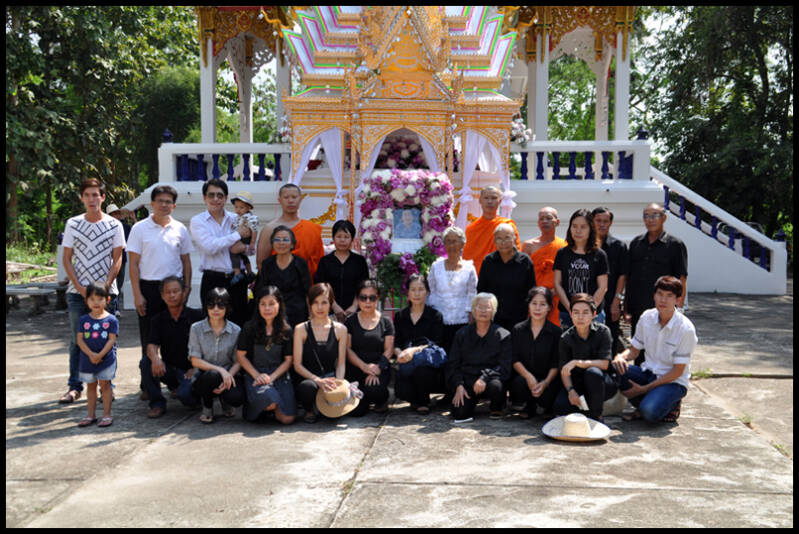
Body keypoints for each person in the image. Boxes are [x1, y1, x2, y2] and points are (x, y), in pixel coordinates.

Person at [60, 178, 125, 405]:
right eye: (87, 195)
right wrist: (80, 288)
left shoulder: (114, 225)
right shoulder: (73, 224)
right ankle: (74, 387)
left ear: (103, 197)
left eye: (96, 194)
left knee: (108, 340)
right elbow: (67, 259)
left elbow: (118, 258)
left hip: (107, 293)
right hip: (77, 293)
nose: (92, 199)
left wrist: (106, 286)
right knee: (77, 340)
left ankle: (107, 387)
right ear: (82, 198)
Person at [128, 185, 193, 397]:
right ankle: (149, 386)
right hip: (149, 289)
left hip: (175, 289)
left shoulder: (180, 229)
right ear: (152, 204)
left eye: (168, 202)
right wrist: (137, 294)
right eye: (160, 201)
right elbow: (133, 264)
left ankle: (175, 382)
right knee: (149, 338)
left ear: (174, 206)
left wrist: (187, 288)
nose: (164, 205)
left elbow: (186, 261)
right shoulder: (139, 229)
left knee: (176, 338)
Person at [612, 276, 697, 423]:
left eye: (669, 296)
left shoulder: (685, 329)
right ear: (654, 296)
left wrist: (643, 389)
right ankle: (651, 400)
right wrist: (621, 357)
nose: (663, 300)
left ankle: (672, 404)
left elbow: (677, 371)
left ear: (678, 299)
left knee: (649, 413)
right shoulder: (647, 317)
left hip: (672, 382)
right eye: (660, 294)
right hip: (648, 373)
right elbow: (634, 350)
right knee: (613, 367)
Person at [626, 203, 688, 364]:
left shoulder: (675, 245)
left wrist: (679, 304)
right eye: (646, 216)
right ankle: (640, 377)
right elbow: (630, 277)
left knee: (663, 348)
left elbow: (682, 277)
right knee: (639, 347)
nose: (650, 219)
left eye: (655, 215)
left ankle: (662, 377)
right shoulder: (636, 243)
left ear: (664, 218)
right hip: (639, 305)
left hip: (664, 306)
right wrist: (626, 306)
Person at [189, 179, 251, 326]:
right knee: (213, 326)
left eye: (220, 195)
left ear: (226, 198)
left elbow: (250, 248)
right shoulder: (198, 221)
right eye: (211, 195)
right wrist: (237, 235)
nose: (215, 199)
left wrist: (244, 247)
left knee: (238, 323)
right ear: (204, 198)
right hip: (213, 279)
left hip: (237, 279)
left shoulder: (237, 219)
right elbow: (210, 247)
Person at [140, 276, 204, 418]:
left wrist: (197, 368)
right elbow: (151, 344)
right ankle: (157, 404)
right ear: (162, 296)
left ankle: (192, 396)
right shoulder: (158, 319)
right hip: (169, 369)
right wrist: (156, 359)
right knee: (146, 362)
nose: (172, 295)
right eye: (168, 292)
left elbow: (207, 346)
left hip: (191, 370)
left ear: (183, 292)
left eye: (176, 291)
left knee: (187, 398)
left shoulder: (196, 316)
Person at [446, 293, 512, 423]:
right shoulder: (461, 334)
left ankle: (496, 407)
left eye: (487, 307)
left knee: (497, 386)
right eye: (479, 307)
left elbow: (504, 366)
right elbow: (453, 363)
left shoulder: (503, 335)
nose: (483, 311)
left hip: (490, 380)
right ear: (473, 310)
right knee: (459, 413)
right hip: (467, 381)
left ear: (493, 311)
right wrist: (459, 385)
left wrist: (484, 378)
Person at [553, 293, 617, 423]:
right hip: (578, 384)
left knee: (592, 372)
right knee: (560, 407)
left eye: (585, 312)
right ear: (570, 314)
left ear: (594, 314)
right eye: (576, 312)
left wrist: (577, 362)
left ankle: (597, 416)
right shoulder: (565, 338)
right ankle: (587, 409)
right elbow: (564, 370)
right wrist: (571, 391)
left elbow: (604, 364)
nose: (580, 317)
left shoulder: (603, 332)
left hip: (601, 382)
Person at [237, 286, 296, 425]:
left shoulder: (286, 329)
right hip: (256, 375)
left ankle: (266, 409)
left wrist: (272, 377)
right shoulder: (249, 327)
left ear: (279, 304)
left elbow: (288, 360)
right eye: (263, 304)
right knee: (270, 401)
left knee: (287, 419)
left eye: (271, 304)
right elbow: (241, 356)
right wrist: (257, 375)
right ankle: (256, 407)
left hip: (278, 374)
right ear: (258, 306)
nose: (267, 308)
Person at [187, 288, 245, 424]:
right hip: (203, 376)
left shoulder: (236, 330)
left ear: (227, 307)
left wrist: (228, 376)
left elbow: (238, 361)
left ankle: (225, 400)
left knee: (237, 398)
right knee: (212, 375)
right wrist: (220, 370)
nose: (216, 309)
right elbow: (195, 360)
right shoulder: (196, 328)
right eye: (211, 305)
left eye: (221, 305)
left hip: (228, 375)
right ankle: (207, 407)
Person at [292, 283, 349, 423]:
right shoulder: (300, 329)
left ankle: (328, 405)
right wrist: (317, 380)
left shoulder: (340, 329)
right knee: (307, 387)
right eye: (315, 302)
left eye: (324, 302)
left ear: (330, 303)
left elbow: (341, 363)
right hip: (309, 379)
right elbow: (297, 365)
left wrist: (338, 384)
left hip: (330, 380)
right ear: (310, 304)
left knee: (335, 416)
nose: (319, 307)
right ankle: (309, 410)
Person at [393, 274, 445, 414]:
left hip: (426, 363)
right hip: (406, 362)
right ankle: (414, 398)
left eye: (421, 289)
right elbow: (396, 341)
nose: (417, 294)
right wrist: (400, 354)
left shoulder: (435, 316)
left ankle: (423, 401)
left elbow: (437, 343)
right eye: (413, 289)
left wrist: (414, 350)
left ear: (427, 292)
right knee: (401, 391)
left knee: (422, 371)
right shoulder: (400, 316)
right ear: (408, 292)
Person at [509, 287, 562, 419]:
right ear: (528, 305)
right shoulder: (518, 329)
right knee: (518, 383)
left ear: (549, 307)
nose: (537, 308)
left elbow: (556, 362)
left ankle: (546, 407)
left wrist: (545, 383)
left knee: (552, 394)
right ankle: (529, 405)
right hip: (526, 378)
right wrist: (528, 377)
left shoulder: (556, 332)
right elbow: (514, 358)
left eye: (543, 304)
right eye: (534, 303)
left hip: (547, 379)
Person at [345, 280, 395, 416]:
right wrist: (364, 367)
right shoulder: (350, 321)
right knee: (356, 412)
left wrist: (376, 368)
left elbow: (389, 349)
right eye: (363, 297)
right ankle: (364, 401)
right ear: (357, 299)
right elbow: (348, 349)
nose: (367, 301)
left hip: (378, 369)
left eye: (372, 298)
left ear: (377, 299)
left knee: (375, 390)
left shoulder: (386, 322)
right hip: (356, 369)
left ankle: (381, 401)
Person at [553, 209, 609, 329]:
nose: (578, 231)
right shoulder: (562, 253)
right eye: (574, 226)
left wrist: (588, 311)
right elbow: (557, 284)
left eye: (583, 227)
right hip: (567, 313)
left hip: (594, 315)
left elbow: (603, 287)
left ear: (591, 229)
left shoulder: (599, 255)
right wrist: (571, 309)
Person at [476, 223, 537, 331]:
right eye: (499, 239)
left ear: (514, 239)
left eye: (507, 238)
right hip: (493, 318)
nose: (503, 242)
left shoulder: (525, 261)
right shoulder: (488, 261)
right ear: (494, 241)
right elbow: (481, 289)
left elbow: (531, 290)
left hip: (518, 318)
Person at [256, 183, 324, 279]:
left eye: (294, 197)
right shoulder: (270, 229)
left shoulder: (312, 229)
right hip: (277, 281)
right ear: (279, 200)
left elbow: (318, 262)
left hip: (306, 282)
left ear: (300, 200)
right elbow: (261, 263)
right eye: (286, 197)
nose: (290, 201)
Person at [427, 226, 477, 355]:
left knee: (459, 356)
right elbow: (431, 291)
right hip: (439, 320)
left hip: (462, 321)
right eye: (448, 241)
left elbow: (472, 295)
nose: (451, 245)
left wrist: (471, 321)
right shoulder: (436, 266)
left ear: (462, 244)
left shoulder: (469, 268)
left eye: (455, 241)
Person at [75, 282, 119, 428]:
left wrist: (100, 355)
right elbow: (80, 340)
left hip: (106, 360)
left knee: (105, 386)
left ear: (107, 300)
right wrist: (91, 355)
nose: (96, 303)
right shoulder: (83, 320)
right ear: (86, 300)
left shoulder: (111, 320)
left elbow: (112, 340)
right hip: (87, 360)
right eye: (92, 299)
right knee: (91, 386)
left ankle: (107, 415)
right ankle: (90, 415)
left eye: (100, 299)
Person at [255, 226, 312, 327]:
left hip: (297, 313)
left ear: (292, 244)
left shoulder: (301, 263)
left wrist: (311, 314)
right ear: (272, 243)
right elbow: (261, 291)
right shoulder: (267, 264)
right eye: (277, 240)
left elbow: (308, 291)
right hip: (272, 313)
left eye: (285, 240)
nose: (281, 243)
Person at [313, 220, 369, 322]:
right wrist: (334, 306)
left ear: (352, 239)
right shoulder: (325, 261)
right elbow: (321, 286)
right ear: (333, 238)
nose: (342, 240)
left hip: (355, 312)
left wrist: (354, 306)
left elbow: (364, 285)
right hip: (329, 312)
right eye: (339, 236)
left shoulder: (359, 261)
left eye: (346, 237)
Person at [592, 207, 630, 355]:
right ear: (592, 221)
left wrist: (616, 301)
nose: (602, 224)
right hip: (587, 301)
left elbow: (622, 275)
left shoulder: (619, 246)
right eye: (598, 221)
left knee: (610, 340)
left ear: (611, 223)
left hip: (610, 301)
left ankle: (610, 368)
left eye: (605, 221)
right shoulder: (584, 245)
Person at [522, 207, 568, 326]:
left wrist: (551, 293)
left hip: (556, 297)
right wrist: (535, 295)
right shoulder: (528, 246)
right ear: (538, 223)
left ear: (557, 222)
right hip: (534, 299)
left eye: (548, 218)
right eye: (541, 219)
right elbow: (523, 275)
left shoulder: (564, 246)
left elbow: (566, 276)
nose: (544, 221)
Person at [462, 186, 521, 276]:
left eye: (494, 198)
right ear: (480, 201)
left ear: (500, 201)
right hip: (477, 277)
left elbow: (516, 254)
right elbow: (467, 259)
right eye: (486, 198)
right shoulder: (471, 229)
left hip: (502, 275)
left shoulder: (507, 225)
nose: (489, 201)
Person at [106, 203, 135, 312]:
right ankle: (113, 307)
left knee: (118, 283)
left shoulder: (125, 227)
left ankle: (115, 307)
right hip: (108, 260)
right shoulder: (105, 227)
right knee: (110, 284)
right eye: (114, 214)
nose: (116, 216)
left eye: (118, 213)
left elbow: (136, 233)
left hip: (121, 259)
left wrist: (134, 219)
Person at [230, 191, 259, 286]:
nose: (238, 210)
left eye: (241, 207)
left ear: (249, 207)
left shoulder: (250, 218)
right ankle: (249, 272)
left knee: (233, 251)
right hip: (239, 238)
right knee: (242, 256)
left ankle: (237, 273)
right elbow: (236, 225)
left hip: (245, 240)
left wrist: (252, 243)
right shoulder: (238, 217)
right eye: (236, 207)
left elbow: (254, 230)